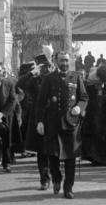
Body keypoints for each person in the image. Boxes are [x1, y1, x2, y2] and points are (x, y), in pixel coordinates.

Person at [36, 52, 88, 199]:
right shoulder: (48, 79)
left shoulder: (76, 76)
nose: (64, 63)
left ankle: (68, 188)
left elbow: (84, 97)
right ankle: (56, 179)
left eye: (66, 60)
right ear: (56, 61)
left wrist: (80, 107)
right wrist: (39, 121)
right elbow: (40, 102)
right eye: (61, 61)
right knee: (53, 156)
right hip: (52, 123)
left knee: (71, 157)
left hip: (71, 123)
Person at [17, 54, 52, 190]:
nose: (45, 69)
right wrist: (31, 73)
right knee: (42, 151)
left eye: (47, 66)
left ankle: (54, 175)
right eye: (42, 66)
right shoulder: (35, 80)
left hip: (54, 118)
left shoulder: (56, 78)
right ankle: (44, 179)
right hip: (39, 118)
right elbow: (19, 84)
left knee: (54, 151)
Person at [82, 65, 106, 165]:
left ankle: (103, 158)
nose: (99, 84)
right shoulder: (89, 89)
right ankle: (94, 157)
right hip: (92, 117)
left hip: (105, 118)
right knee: (93, 137)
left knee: (104, 138)